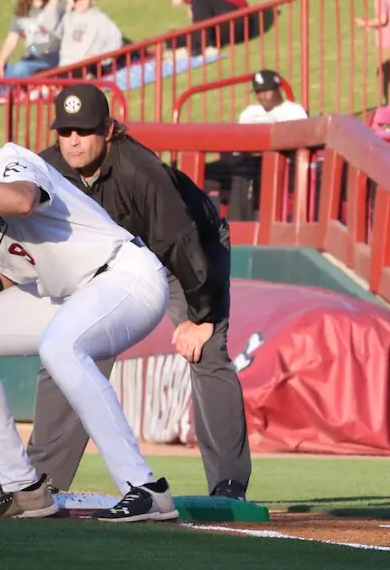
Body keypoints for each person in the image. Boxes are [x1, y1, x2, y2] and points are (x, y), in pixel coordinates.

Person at [0, 89, 180, 522]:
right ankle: (24, 489)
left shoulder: (14, 160)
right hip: (65, 293)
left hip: (126, 277)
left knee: (61, 347)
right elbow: (16, 268)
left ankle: (144, 488)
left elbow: (21, 201)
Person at [35, 84, 252, 499]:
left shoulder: (140, 171)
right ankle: (43, 480)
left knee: (206, 350)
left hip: (185, 255)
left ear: (109, 129)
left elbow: (183, 244)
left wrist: (201, 318)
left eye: (84, 130)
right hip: (115, 264)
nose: (74, 140)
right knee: (70, 347)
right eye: (65, 131)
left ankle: (229, 485)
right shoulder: (46, 169)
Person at [56, 0, 124, 72]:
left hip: (85, 69)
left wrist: (97, 57)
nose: (80, 1)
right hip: (63, 68)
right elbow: (51, 39)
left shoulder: (99, 18)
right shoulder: (66, 17)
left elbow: (115, 42)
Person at [237, 69, 308, 123]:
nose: (262, 96)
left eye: (266, 91)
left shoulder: (293, 111)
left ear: (278, 89)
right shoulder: (249, 112)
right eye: (258, 92)